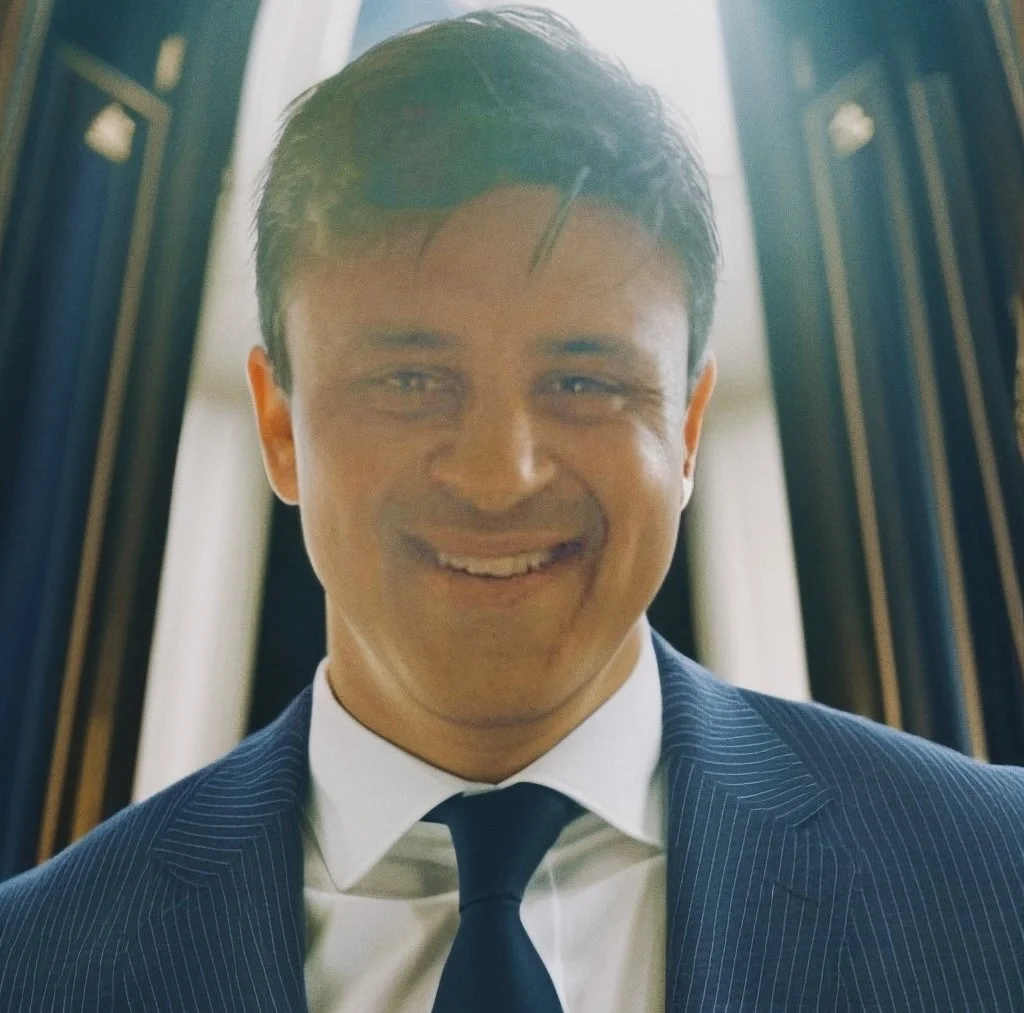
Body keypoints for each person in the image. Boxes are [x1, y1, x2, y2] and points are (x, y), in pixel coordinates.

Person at [2, 6, 1023, 1010]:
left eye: (584, 383)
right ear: (279, 425)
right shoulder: (31, 967)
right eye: (409, 379)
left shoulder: (999, 882)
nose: (500, 474)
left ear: (687, 428)